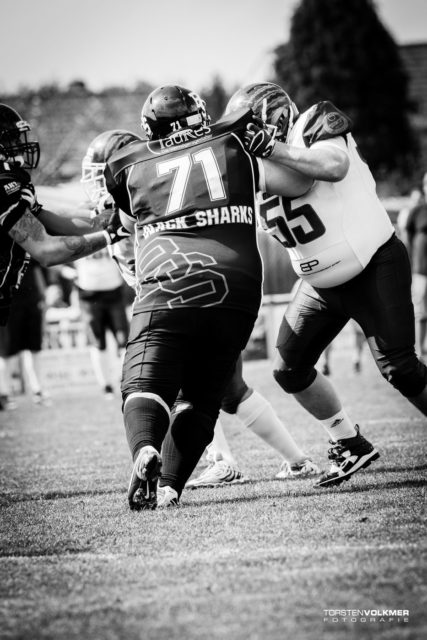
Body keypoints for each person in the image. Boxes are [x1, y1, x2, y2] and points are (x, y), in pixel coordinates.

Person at [102, 85, 312, 510]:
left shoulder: (130, 163)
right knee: (202, 396)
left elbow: (123, 222)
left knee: (143, 380)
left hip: (169, 281)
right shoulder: (233, 141)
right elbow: (298, 182)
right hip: (236, 285)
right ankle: (169, 488)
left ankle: (146, 446)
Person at [226, 81, 427, 489]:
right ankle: (349, 442)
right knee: (289, 369)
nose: (243, 140)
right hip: (318, 284)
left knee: (400, 368)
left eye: (248, 130)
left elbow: (335, 166)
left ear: (271, 120)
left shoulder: (313, 121)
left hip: (372, 263)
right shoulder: (254, 167)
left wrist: (272, 148)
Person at [0, 103, 131, 328]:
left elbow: (51, 219)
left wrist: (104, 216)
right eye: (12, 140)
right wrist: (113, 234)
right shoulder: (3, 188)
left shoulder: (11, 183)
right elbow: (47, 251)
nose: (19, 146)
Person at [4, 259, 51, 405]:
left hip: (31, 303)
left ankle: (38, 390)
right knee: (7, 352)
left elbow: (36, 271)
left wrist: (43, 296)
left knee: (34, 348)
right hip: (7, 306)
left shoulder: (27, 248)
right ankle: (5, 393)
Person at [405, 173, 427, 356]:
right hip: (420, 270)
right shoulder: (417, 211)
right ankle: (419, 353)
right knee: (420, 313)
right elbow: (407, 239)